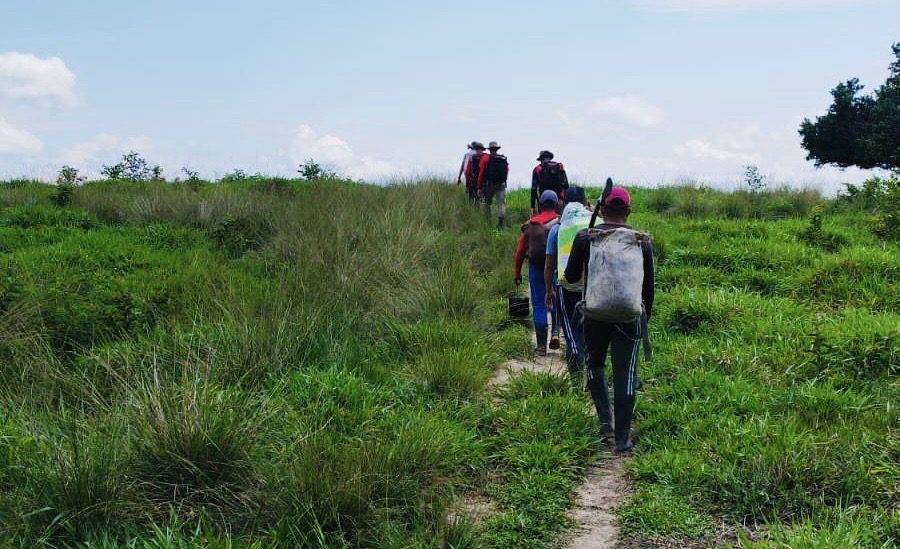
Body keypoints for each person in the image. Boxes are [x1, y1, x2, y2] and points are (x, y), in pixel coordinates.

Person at [564, 186, 654, 453]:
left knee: (594, 364)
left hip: (595, 314)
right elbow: (648, 289)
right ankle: (623, 440)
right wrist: (643, 320)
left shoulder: (586, 237)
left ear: (601, 210)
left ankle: (606, 423)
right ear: (629, 211)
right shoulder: (641, 241)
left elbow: (571, 276)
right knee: (626, 374)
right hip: (629, 317)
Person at [544, 186, 592, 379]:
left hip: (566, 286)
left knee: (572, 333)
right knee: (589, 330)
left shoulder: (557, 228)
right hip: (594, 287)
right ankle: (592, 377)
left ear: (564, 203)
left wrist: (549, 290)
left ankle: (576, 380)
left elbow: (549, 265)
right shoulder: (595, 224)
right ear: (585, 202)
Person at [514, 190, 561, 356]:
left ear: (540, 205)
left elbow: (520, 252)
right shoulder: (560, 223)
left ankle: (541, 346)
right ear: (556, 204)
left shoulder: (530, 225)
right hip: (556, 268)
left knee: (539, 305)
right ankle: (555, 333)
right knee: (556, 300)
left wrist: (517, 273)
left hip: (536, 268)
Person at [477, 141, 509, 229]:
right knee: (501, 204)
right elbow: (507, 172)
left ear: (490, 149)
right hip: (501, 184)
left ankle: (488, 222)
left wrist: (479, 187)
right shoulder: (503, 158)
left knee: (487, 203)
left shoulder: (485, 158)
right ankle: (500, 223)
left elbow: (481, 173)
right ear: (497, 149)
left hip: (489, 185)